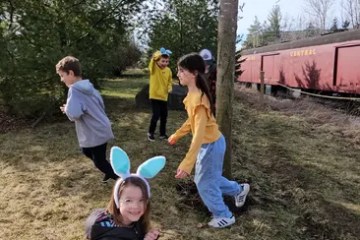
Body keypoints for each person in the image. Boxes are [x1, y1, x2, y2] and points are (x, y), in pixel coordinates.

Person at [168, 53, 250, 228]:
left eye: (181, 70)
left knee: (203, 182)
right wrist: (177, 134)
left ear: (194, 73)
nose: (178, 73)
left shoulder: (198, 99)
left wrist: (187, 163)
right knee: (210, 178)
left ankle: (224, 215)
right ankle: (239, 189)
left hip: (211, 145)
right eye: (178, 70)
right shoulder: (192, 95)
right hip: (211, 144)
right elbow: (192, 121)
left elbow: (198, 134)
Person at [56, 56, 118, 183]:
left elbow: (74, 114)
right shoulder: (87, 86)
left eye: (62, 75)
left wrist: (66, 109)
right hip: (101, 127)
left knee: (98, 161)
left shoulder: (74, 89)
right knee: (87, 151)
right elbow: (98, 103)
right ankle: (109, 171)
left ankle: (120, 179)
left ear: (71, 73)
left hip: (95, 131)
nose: (61, 80)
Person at [85, 146, 166, 240]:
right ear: (117, 201)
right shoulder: (108, 234)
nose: (136, 206)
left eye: (141, 200)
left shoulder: (135, 222)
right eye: (128, 200)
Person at [147, 47, 173, 142]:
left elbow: (170, 81)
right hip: (154, 96)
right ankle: (150, 133)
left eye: (166, 61)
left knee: (164, 116)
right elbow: (153, 59)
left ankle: (162, 134)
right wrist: (159, 54)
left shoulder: (169, 70)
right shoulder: (154, 68)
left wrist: (169, 87)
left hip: (164, 97)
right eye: (163, 61)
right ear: (157, 61)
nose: (165, 63)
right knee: (156, 115)